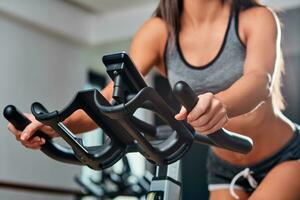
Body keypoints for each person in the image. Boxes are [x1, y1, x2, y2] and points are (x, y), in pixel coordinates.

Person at [7, 0, 300, 199]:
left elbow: (260, 82)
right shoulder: (159, 32)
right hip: (223, 167)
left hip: (285, 154)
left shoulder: (255, 17)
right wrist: (52, 125)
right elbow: (110, 100)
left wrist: (221, 104)